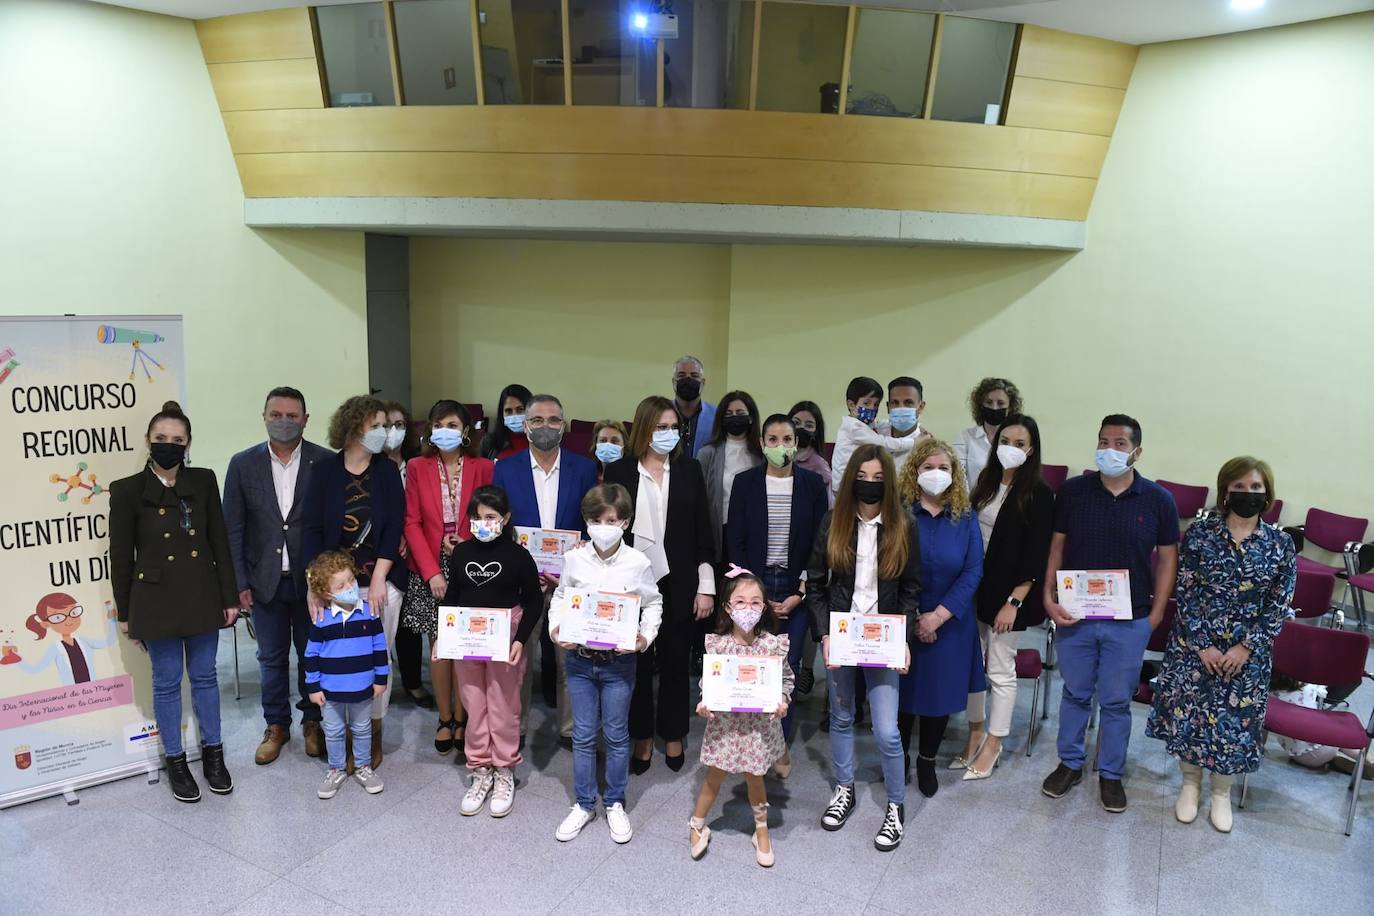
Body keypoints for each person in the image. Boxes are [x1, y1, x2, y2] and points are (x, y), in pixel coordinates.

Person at [1146, 456, 1296, 833]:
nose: (1248, 493)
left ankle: (1221, 793)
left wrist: (1245, 647)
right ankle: (1191, 784)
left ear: (1268, 494)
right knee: (1191, 714)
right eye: (1240, 487)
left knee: (1234, 723)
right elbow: (1187, 589)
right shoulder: (1200, 533)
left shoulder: (1280, 544)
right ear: (1226, 490)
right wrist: (1202, 645)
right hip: (1196, 647)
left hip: (1247, 655)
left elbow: (1279, 604)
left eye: (1256, 488)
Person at [1041, 414, 1179, 813]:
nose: (1110, 450)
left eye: (1120, 443)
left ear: (1137, 451)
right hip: (1076, 616)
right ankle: (1069, 763)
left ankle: (1111, 773)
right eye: (1104, 441)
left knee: (1117, 701)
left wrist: (1153, 617)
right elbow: (1056, 549)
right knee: (1075, 693)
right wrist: (1049, 597)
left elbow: (1168, 560)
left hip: (1129, 620)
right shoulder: (1072, 492)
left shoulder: (1158, 500)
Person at [109, 400, 238, 803]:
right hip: (155, 600)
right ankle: (176, 761)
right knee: (166, 683)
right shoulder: (127, 491)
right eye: (161, 438)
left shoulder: (202, 481)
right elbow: (120, 557)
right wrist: (126, 613)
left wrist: (230, 597)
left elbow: (219, 540)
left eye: (177, 440)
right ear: (148, 440)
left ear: (188, 444)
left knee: (205, 677)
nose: (169, 445)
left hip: (202, 593)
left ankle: (213, 755)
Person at [807, 444, 920, 851]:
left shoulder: (904, 525)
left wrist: (903, 642)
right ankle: (844, 788)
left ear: (888, 482)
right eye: (862, 476)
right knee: (840, 718)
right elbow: (816, 584)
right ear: (850, 477)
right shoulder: (832, 523)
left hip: (885, 639)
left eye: (878, 478)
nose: (869, 484)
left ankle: (895, 805)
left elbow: (911, 589)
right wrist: (824, 634)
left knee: (888, 731)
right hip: (843, 634)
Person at [603, 396, 715, 773]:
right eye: (659, 427)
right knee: (635, 660)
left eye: (672, 428)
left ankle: (672, 733)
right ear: (643, 429)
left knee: (675, 660)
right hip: (632, 581)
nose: (666, 434)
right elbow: (608, 528)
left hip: (681, 579)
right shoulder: (619, 470)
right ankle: (643, 737)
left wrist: (706, 586)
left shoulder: (690, 470)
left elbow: (704, 530)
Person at [223, 386, 333, 766]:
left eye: (292, 415)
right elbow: (232, 529)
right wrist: (238, 583)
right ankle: (276, 725)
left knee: (312, 656)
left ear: (305, 419)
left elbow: (330, 527)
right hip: (263, 581)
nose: (284, 421)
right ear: (264, 416)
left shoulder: (325, 461)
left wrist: (327, 582)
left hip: (311, 584)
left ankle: (313, 721)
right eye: (276, 414)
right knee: (270, 658)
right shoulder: (242, 464)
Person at [549, 484, 663, 844]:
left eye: (611, 520)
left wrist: (645, 637)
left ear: (625, 522)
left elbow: (654, 603)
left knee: (616, 735)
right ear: (586, 521)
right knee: (583, 735)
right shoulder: (574, 558)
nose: (603, 525)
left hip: (618, 665)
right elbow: (561, 596)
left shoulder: (638, 562)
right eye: (596, 519)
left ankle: (614, 801)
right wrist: (556, 629)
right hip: (580, 660)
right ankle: (584, 804)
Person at [302, 395, 407, 770]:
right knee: (339, 660)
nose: (384, 432)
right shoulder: (324, 471)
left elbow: (394, 524)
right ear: (353, 427)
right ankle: (342, 733)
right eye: (375, 425)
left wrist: (379, 577)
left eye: (386, 425)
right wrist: (316, 585)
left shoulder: (386, 471)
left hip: (379, 582)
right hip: (335, 584)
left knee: (376, 658)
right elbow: (312, 530)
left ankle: (371, 731)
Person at [493, 393, 598, 743]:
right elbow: (501, 525)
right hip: (524, 582)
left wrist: (580, 554)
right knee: (518, 660)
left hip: (570, 581)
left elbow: (590, 525)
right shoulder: (505, 469)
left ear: (564, 427)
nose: (546, 427)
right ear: (525, 426)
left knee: (569, 662)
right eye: (537, 420)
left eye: (554, 420)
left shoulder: (583, 468)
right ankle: (516, 728)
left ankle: (570, 730)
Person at [725, 414, 827, 773]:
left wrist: (803, 588)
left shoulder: (813, 485)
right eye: (772, 439)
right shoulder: (745, 482)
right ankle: (753, 742)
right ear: (762, 443)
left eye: (787, 439)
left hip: (796, 586)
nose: (779, 446)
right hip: (755, 585)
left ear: (796, 443)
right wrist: (752, 592)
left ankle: (779, 745)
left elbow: (820, 541)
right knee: (753, 664)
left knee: (787, 667)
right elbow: (734, 539)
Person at [959, 415, 1054, 780]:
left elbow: (1036, 553)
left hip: (1010, 596)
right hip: (975, 588)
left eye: (1020, 443)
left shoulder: (1038, 493)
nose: (1011, 449)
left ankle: (994, 744)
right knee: (972, 667)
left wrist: (1013, 602)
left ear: (1031, 450)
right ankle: (974, 733)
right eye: (1005, 441)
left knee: (999, 669)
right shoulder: (984, 483)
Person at [443, 485, 544, 818]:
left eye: (490, 517)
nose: (482, 523)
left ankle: (504, 769)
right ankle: (480, 768)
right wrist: (444, 639)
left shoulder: (518, 556)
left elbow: (533, 600)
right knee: (474, 704)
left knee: (503, 705)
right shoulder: (461, 553)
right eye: (476, 517)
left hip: (506, 637)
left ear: (506, 519)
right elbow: (452, 597)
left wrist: (520, 640)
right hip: (467, 639)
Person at [402, 400, 495, 756]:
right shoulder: (417, 466)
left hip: (473, 560)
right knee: (440, 647)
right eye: (439, 423)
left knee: (466, 646)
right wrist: (432, 572)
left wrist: (467, 549)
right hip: (429, 563)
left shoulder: (484, 466)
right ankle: (446, 718)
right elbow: (411, 522)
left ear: (466, 430)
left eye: (453, 424)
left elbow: (490, 515)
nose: (445, 430)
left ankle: (464, 714)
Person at [894, 439, 985, 799]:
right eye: (928, 467)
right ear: (915, 472)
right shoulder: (900, 514)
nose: (936, 474)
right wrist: (916, 616)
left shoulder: (966, 518)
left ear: (955, 474)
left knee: (939, 696)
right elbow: (891, 567)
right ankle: (897, 756)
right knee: (901, 692)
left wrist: (938, 617)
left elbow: (973, 571)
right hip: (903, 615)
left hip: (951, 621)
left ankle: (927, 760)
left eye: (944, 468)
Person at [688, 570, 793, 867]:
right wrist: (705, 703)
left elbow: (786, 679)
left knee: (755, 777)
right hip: (725, 727)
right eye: (741, 602)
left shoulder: (772, 645)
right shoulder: (717, 646)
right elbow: (708, 684)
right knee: (714, 776)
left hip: (758, 729)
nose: (748, 609)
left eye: (755, 602)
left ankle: (761, 829)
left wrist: (782, 701)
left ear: (764, 607)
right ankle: (697, 824)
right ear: (727, 607)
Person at [303, 550, 387, 799]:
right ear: (327, 593)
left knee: (362, 728)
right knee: (334, 730)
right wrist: (313, 687)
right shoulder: (321, 620)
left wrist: (381, 679)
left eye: (351, 580)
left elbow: (379, 648)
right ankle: (336, 768)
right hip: (330, 691)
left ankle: (363, 766)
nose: (350, 586)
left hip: (362, 687)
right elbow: (311, 656)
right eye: (342, 585)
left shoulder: (370, 614)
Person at [697, 390, 764, 559]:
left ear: (750, 418)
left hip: (752, 533)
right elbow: (699, 499)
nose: (734, 417)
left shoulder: (761, 455)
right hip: (719, 533)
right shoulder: (707, 453)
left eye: (740, 413)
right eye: (729, 414)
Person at [830, 377, 923, 496]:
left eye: (876, 404)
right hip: (845, 488)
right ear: (851, 405)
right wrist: (913, 442)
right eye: (866, 403)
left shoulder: (864, 424)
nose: (872, 408)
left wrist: (919, 427)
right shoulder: (854, 427)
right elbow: (883, 443)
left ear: (921, 407)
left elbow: (878, 423)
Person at [19, 593, 118, 685]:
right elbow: (35, 668)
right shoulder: (55, 648)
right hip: (73, 696)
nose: (69, 619)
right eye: (57, 617)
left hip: (93, 690)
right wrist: (15, 658)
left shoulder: (83, 641)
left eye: (73, 612)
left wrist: (111, 620)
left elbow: (109, 642)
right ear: (46, 624)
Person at [953, 378, 1023, 494]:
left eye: (1000, 403)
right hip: (972, 505)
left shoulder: (1018, 440)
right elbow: (958, 476)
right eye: (989, 402)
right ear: (981, 405)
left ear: (1010, 407)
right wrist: (968, 507)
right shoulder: (964, 437)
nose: (994, 408)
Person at [876, 376, 934, 476]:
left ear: (920, 407)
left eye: (908, 403)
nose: (901, 408)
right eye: (895, 403)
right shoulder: (875, 432)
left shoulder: (928, 447)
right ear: (888, 407)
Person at [671, 355, 716, 458]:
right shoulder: (660, 412)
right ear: (674, 382)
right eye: (681, 375)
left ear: (703, 383)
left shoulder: (716, 415)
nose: (688, 380)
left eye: (694, 375)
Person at [788, 400, 833, 501]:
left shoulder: (819, 465)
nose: (801, 428)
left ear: (816, 432)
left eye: (809, 425)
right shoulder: (776, 456)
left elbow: (829, 506)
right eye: (796, 423)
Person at [478, 383, 531, 460]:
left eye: (520, 410)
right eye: (508, 411)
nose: (514, 415)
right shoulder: (489, 442)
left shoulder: (541, 441)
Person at [381, 400, 417, 483]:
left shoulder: (414, 461)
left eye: (399, 424)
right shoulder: (372, 464)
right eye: (387, 425)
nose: (393, 430)